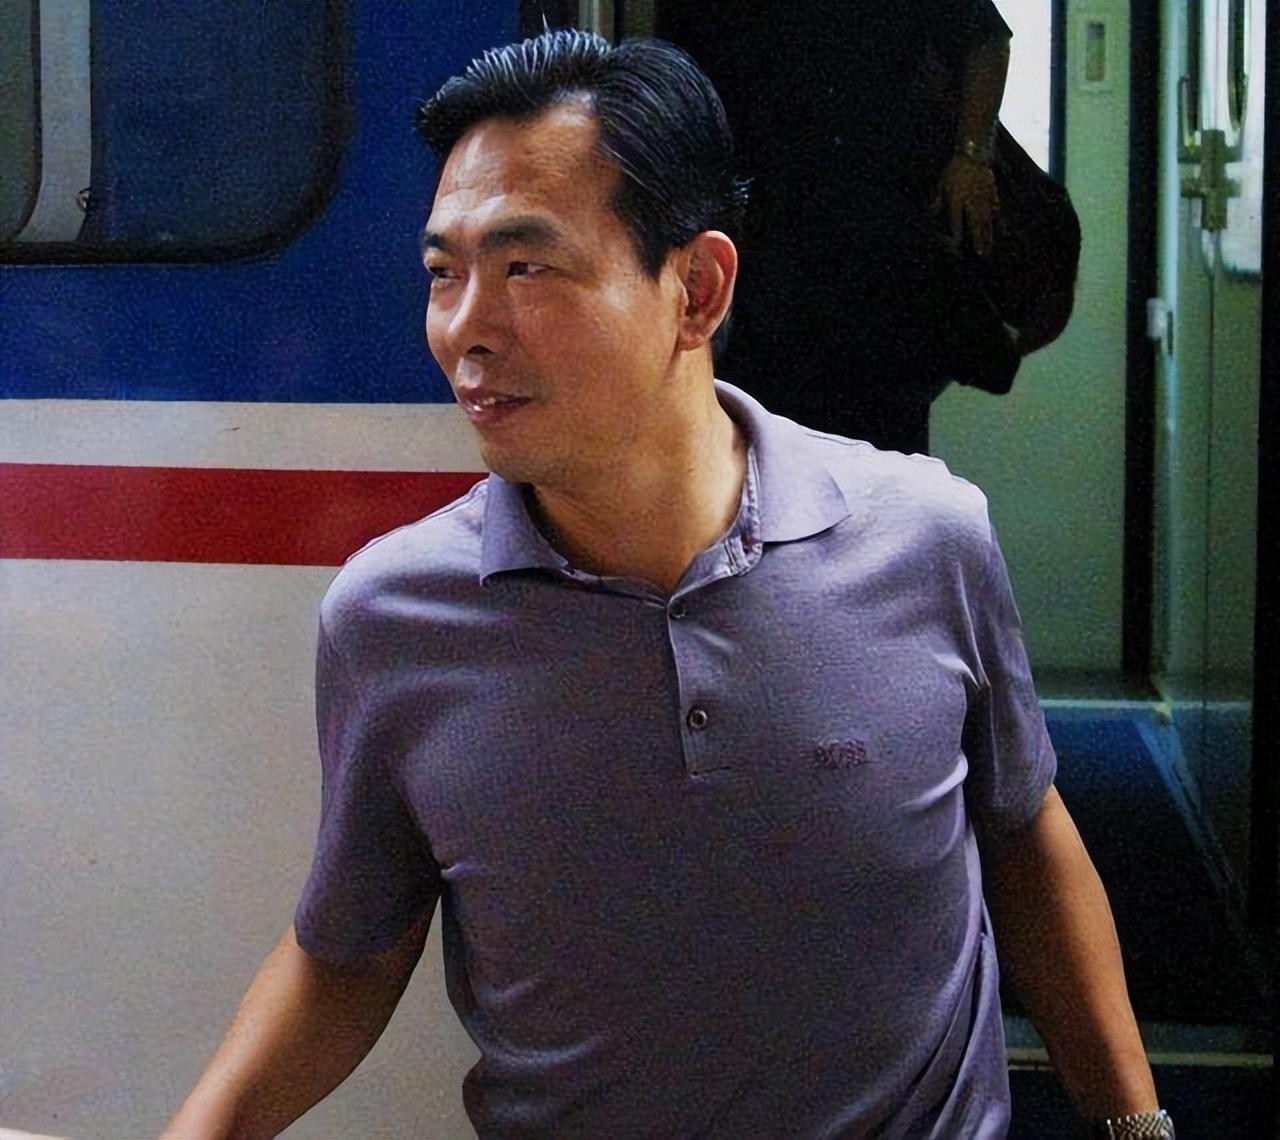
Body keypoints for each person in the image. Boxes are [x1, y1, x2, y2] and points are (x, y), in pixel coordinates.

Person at [162, 30, 1173, 1139]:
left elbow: (1023, 837)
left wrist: (1134, 1123)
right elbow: (349, 955)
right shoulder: (393, 617)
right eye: (444, 273)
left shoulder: (925, 538)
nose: (463, 331)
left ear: (696, 289)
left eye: (526, 268)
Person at [653, 1, 1027, 455]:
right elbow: (668, 83)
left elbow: (987, 39)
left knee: (881, 448)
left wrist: (971, 156)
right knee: (758, 443)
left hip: (876, 244)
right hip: (756, 251)